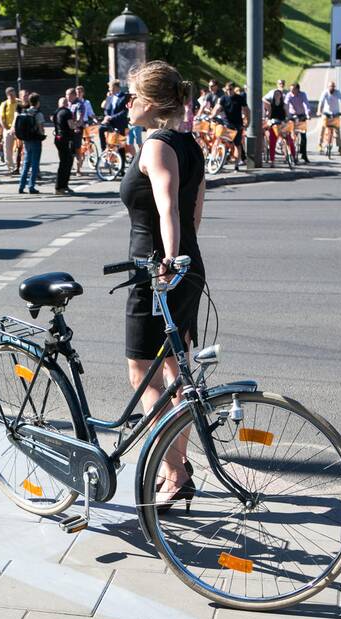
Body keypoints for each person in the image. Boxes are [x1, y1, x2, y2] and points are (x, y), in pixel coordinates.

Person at [119, 61, 206, 511]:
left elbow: (170, 208)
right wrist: (183, 258)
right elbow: (195, 213)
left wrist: (167, 261)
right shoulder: (189, 143)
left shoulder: (156, 146)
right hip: (188, 269)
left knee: (144, 374)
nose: (126, 103)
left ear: (150, 103)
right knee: (177, 373)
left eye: (131, 96)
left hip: (157, 272)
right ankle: (181, 468)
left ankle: (174, 473)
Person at [16, 93, 45, 194]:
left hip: (26, 140)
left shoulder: (25, 112)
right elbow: (41, 128)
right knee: (35, 163)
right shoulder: (38, 114)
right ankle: (31, 186)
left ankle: (21, 185)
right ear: (37, 102)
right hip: (36, 139)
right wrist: (43, 134)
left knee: (26, 163)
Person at [217, 83, 249, 170]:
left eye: (230, 89)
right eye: (227, 90)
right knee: (223, 141)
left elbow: (246, 110)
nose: (229, 91)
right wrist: (212, 115)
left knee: (237, 145)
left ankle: (236, 165)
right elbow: (218, 108)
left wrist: (247, 120)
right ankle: (222, 158)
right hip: (227, 124)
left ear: (234, 89)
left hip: (238, 124)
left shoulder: (239, 98)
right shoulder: (223, 98)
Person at [101, 80, 130, 172]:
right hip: (111, 123)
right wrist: (107, 116)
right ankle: (103, 148)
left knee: (121, 146)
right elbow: (107, 109)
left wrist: (111, 117)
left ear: (116, 88)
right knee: (101, 129)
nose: (109, 90)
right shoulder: (110, 97)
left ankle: (121, 169)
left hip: (120, 123)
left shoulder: (124, 97)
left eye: (111, 88)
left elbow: (124, 112)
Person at [317, 80, 341, 155]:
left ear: (334, 87)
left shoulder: (337, 92)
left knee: (337, 132)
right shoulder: (325, 92)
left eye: (333, 86)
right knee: (323, 128)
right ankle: (320, 144)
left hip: (335, 113)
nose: (331, 88)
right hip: (326, 113)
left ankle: (340, 148)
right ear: (328, 87)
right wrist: (319, 111)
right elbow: (321, 102)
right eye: (330, 86)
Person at [53, 96, 75, 195]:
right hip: (65, 138)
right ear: (67, 104)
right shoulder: (67, 112)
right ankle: (59, 187)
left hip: (58, 138)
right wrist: (77, 124)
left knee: (66, 161)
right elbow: (71, 125)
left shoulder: (56, 112)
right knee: (65, 162)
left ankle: (64, 185)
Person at [285, 82, 311, 163]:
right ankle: (289, 154)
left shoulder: (303, 94)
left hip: (301, 115)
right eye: (290, 90)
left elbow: (306, 104)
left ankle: (304, 155)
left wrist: (308, 114)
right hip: (292, 116)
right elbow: (286, 104)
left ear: (297, 89)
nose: (291, 91)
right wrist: (286, 115)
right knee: (290, 136)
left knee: (303, 136)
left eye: (293, 90)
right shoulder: (289, 95)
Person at [263, 87, 289, 167]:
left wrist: (287, 120)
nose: (277, 96)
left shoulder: (284, 105)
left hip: (281, 123)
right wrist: (267, 117)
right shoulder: (271, 105)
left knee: (289, 138)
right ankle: (272, 160)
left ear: (281, 96)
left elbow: (287, 115)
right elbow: (269, 115)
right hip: (274, 123)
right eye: (275, 94)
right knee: (272, 141)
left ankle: (289, 157)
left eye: (278, 94)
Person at [0, 87, 20, 174]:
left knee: (20, 149)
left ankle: (19, 167)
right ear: (7, 95)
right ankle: (11, 168)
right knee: (8, 150)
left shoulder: (19, 102)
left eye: (14, 94)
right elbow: (1, 119)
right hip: (8, 129)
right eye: (10, 95)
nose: (12, 96)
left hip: (19, 129)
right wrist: (7, 129)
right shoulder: (4, 104)